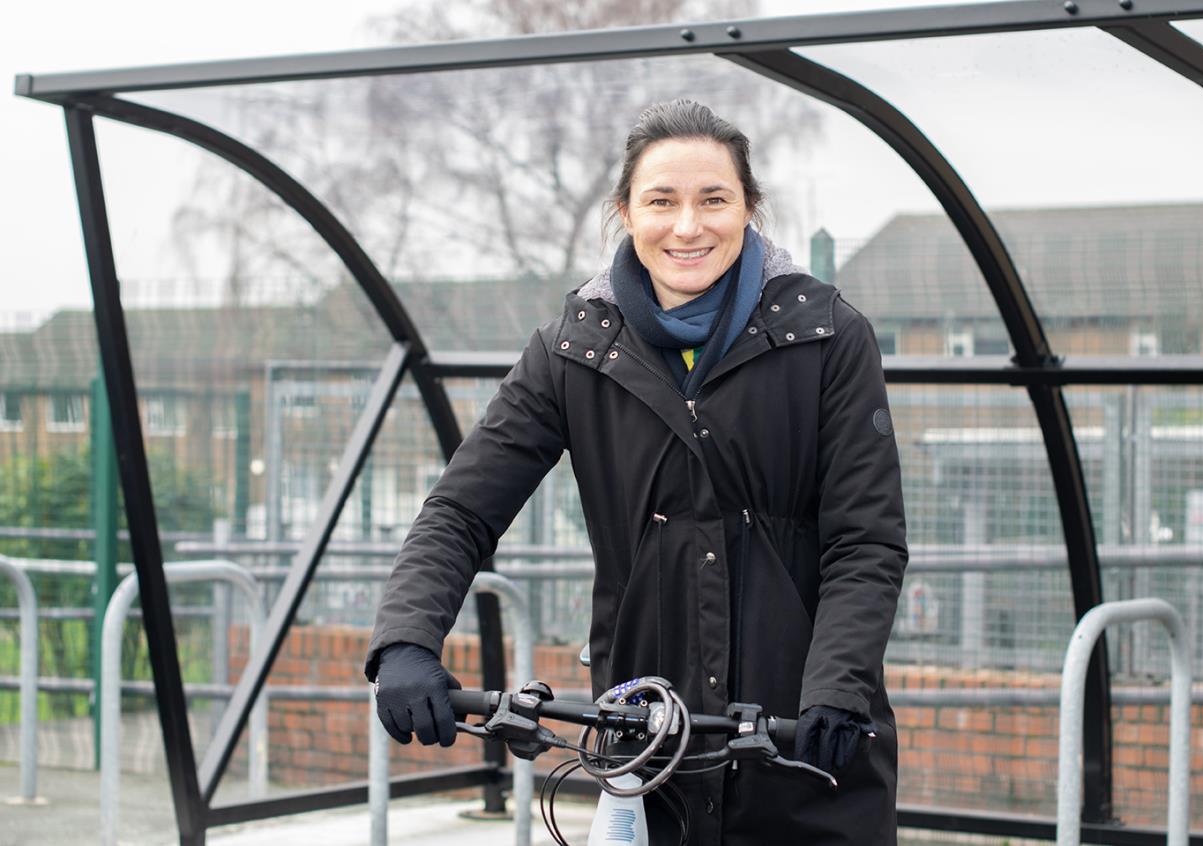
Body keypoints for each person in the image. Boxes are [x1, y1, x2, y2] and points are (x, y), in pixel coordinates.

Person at [365, 99, 907, 846]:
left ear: (749, 207)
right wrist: (405, 642)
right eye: (662, 201)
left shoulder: (828, 338)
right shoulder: (572, 350)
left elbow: (865, 541)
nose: (688, 226)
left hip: (807, 748)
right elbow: (462, 511)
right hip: (649, 749)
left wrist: (838, 689)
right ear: (625, 212)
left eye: (713, 199)